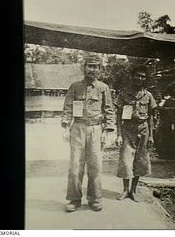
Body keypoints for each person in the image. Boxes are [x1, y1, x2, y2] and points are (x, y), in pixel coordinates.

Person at [61, 54, 115, 212]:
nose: (92, 69)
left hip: (96, 130)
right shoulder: (75, 86)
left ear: (99, 69)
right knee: (75, 166)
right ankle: (74, 199)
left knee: (95, 166)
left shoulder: (104, 88)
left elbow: (109, 110)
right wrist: (65, 127)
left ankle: (95, 198)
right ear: (84, 67)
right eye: (90, 66)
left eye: (96, 66)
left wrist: (109, 131)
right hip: (77, 128)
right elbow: (67, 108)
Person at [114, 64, 157, 202]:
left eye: (143, 77)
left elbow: (151, 116)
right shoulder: (124, 94)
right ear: (132, 77)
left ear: (145, 79)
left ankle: (133, 191)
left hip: (143, 130)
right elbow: (118, 116)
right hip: (127, 130)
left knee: (140, 161)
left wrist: (151, 135)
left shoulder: (148, 95)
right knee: (126, 161)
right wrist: (119, 134)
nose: (140, 78)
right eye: (137, 75)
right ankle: (125, 190)